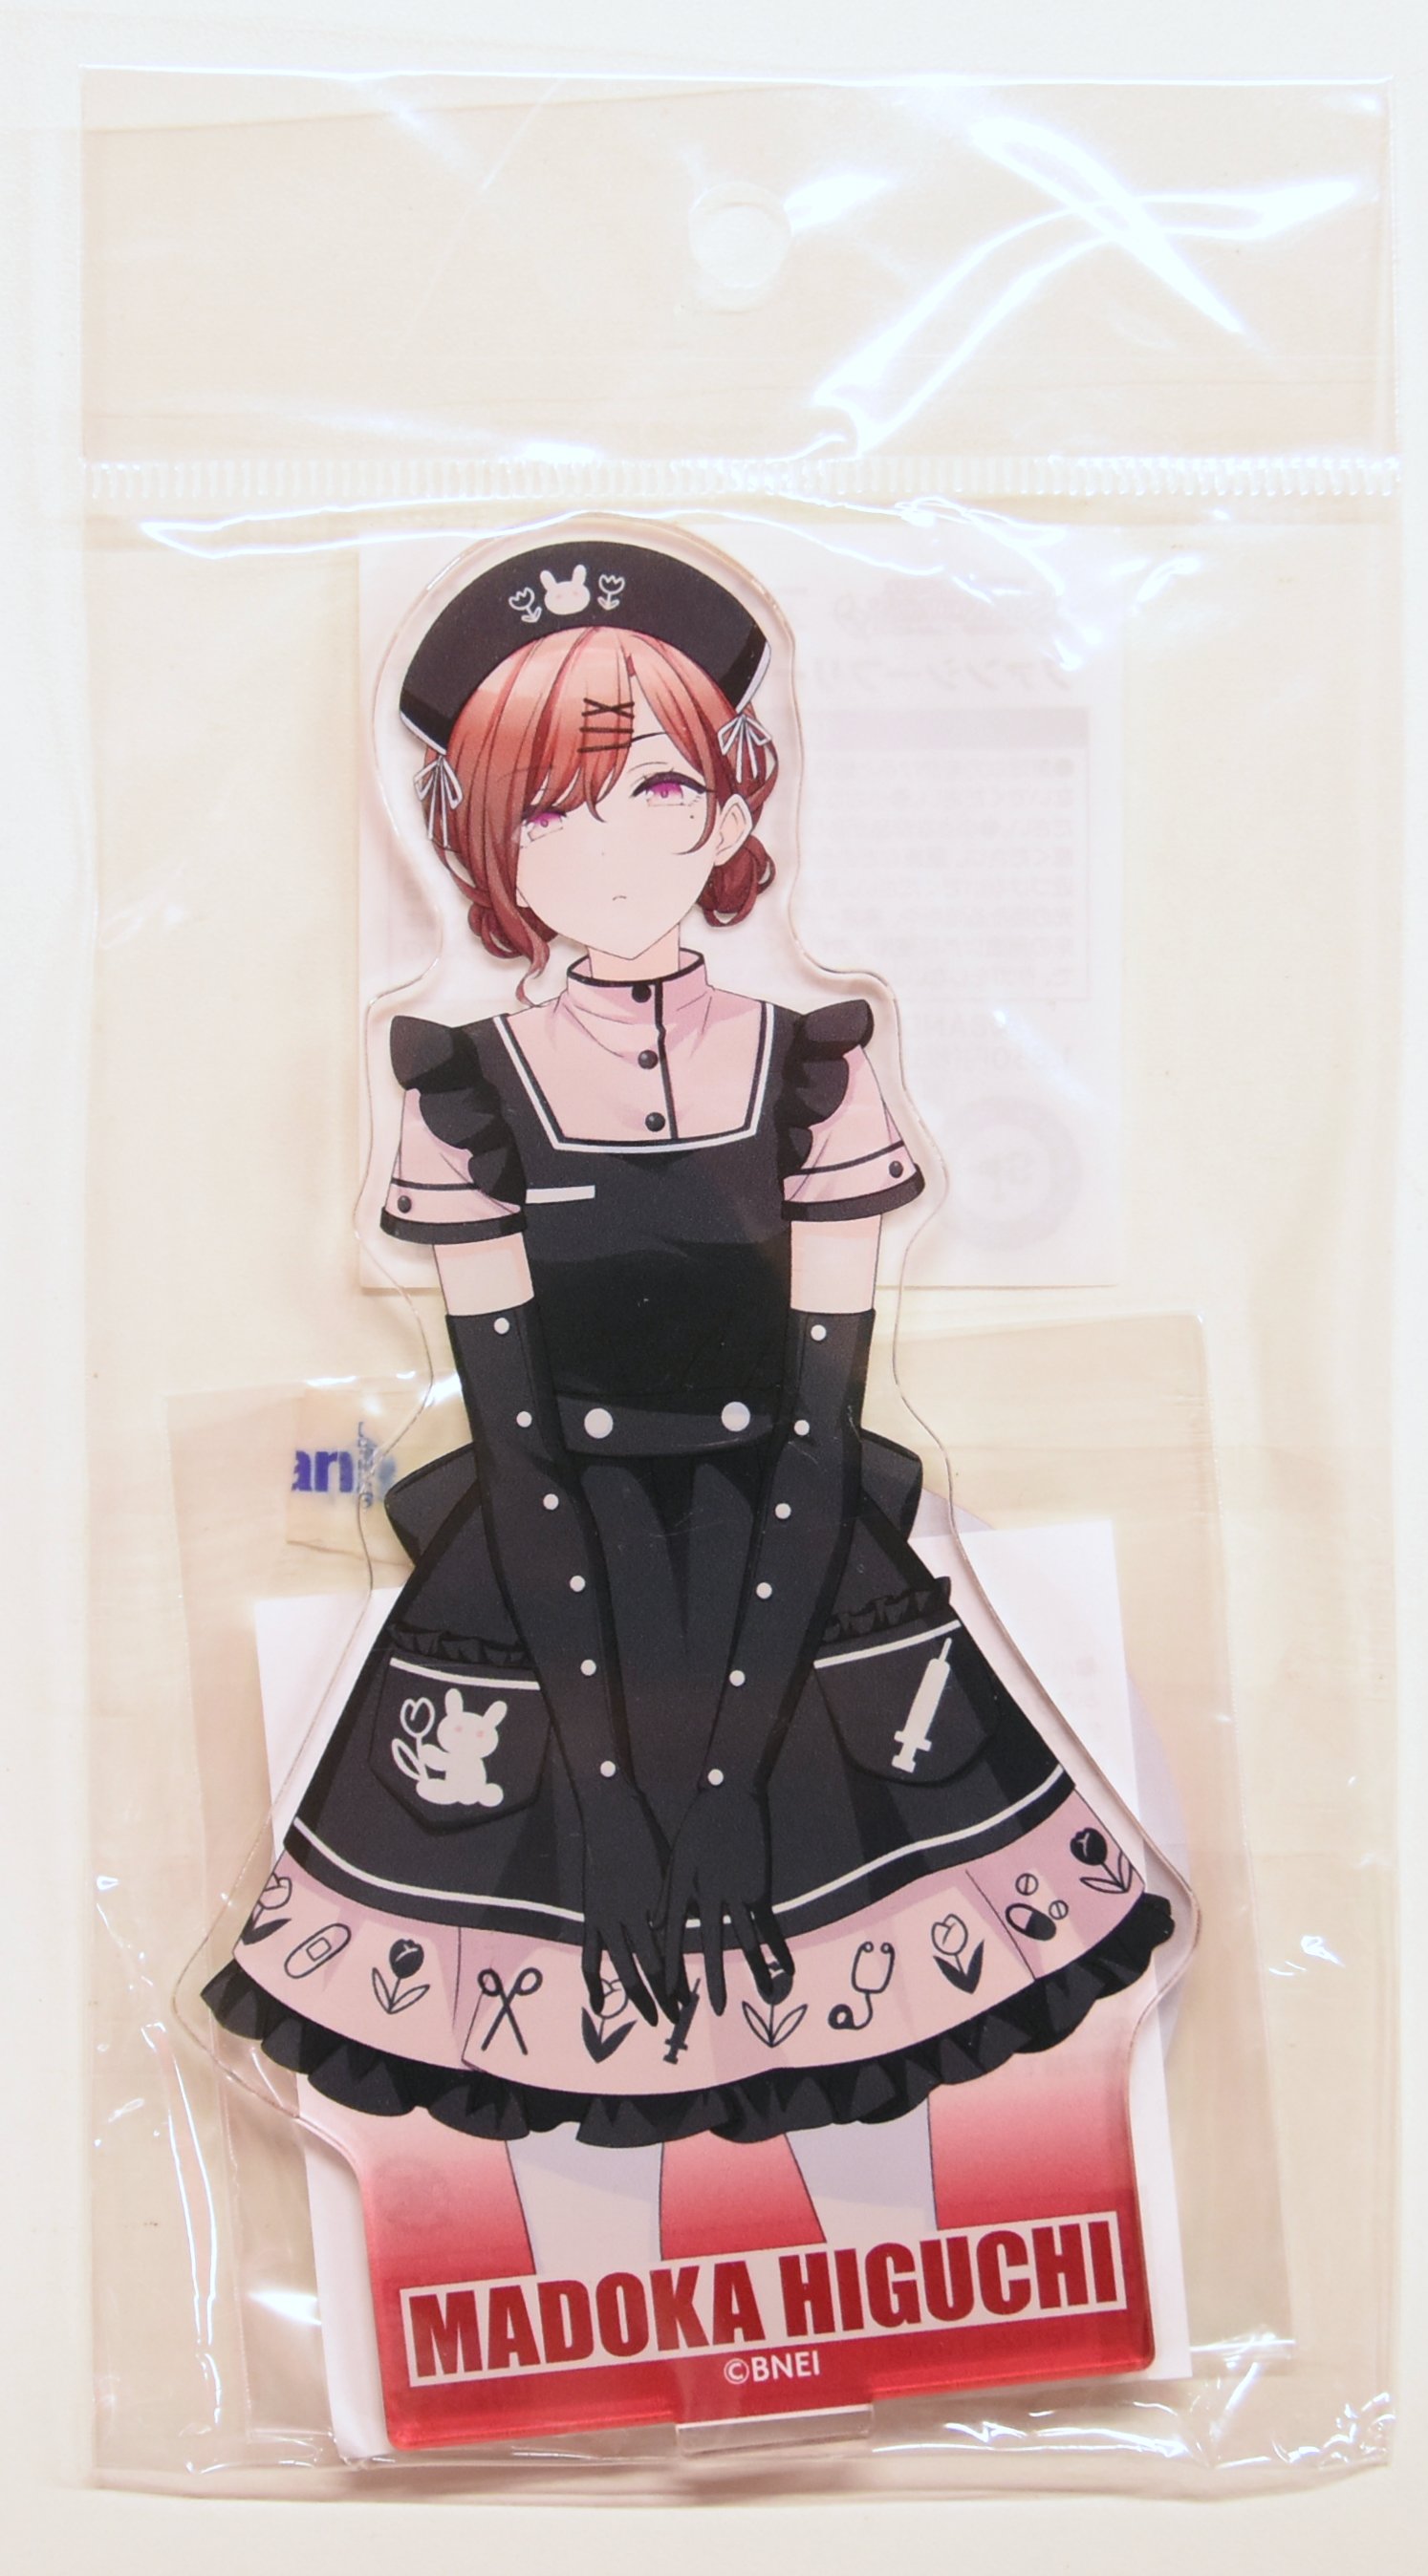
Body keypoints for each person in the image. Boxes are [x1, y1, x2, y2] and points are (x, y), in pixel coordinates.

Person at [204, 535, 1175, 2254]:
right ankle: (563, 2340)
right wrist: (608, 1787)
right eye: (549, 808)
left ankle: (911, 2307)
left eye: (656, 786)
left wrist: (723, 1777)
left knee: (877, 2073)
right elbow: (513, 1433)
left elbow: (820, 1420)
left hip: (796, 1564)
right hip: (542, 1579)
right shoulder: (459, 1080)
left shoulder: (817, 1061)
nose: (611, 845)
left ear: (735, 801)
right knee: (554, 2104)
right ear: (477, 843)